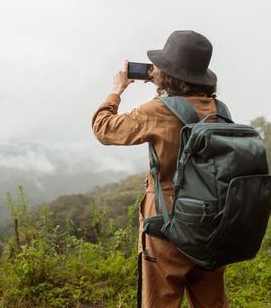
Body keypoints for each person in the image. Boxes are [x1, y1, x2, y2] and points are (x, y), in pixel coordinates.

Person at [91, 30, 229, 308]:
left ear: (169, 73)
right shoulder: (219, 109)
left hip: (167, 220)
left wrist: (116, 90)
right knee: (211, 300)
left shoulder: (159, 110)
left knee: (160, 301)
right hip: (212, 218)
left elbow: (104, 128)